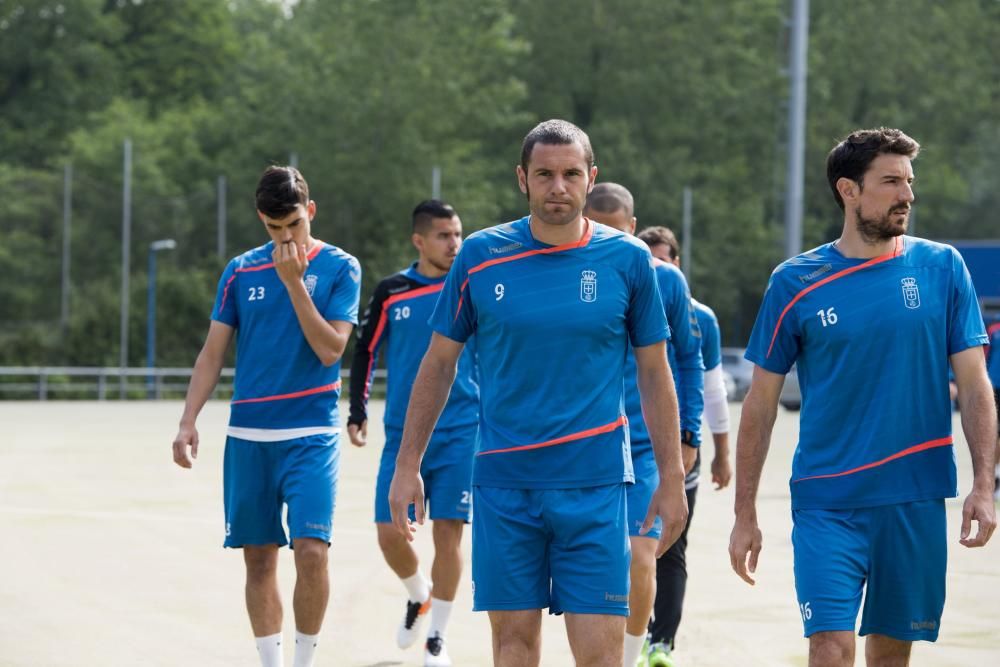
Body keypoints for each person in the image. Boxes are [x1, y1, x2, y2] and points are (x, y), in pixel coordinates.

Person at [388, 119, 689, 667]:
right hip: (506, 486)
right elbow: (437, 365)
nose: (558, 187)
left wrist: (671, 476)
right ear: (521, 179)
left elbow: (654, 371)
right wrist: (407, 464)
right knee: (512, 648)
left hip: (595, 487)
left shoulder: (628, 261)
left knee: (600, 655)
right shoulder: (479, 256)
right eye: (545, 174)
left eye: (571, 174)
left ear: (590, 177)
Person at [729, 128, 997, 667]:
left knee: (891, 654)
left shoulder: (942, 268)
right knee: (830, 647)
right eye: (892, 182)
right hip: (828, 499)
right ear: (848, 190)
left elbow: (974, 384)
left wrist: (984, 485)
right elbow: (758, 405)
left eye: (909, 182)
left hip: (914, 496)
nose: (907, 195)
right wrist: (744, 513)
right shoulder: (796, 281)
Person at [171, 166, 361, 667]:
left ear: (310, 212)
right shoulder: (238, 271)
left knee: (313, 551)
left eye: (294, 225)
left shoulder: (342, 267)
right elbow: (213, 352)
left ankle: (303, 661)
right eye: (274, 229)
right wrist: (188, 419)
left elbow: (330, 351)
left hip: (311, 436)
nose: (285, 238)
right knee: (258, 560)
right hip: (249, 436)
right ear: (261, 219)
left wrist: (295, 284)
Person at [347, 200, 479, 666]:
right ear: (419, 241)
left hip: (463, 429)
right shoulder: (392, 291)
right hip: (404, 435)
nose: (454, 244)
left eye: (458, 234)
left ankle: (437, 638)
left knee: (449, 535)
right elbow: (365, 349)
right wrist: (357, 408)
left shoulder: (471, 284)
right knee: (389, 534)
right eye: (444, 236)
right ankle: (419, 594)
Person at [581, 186, 705, 667]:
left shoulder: (666, 281)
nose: (608, 236)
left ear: (633, 227)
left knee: (639, 555)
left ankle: (631, 658)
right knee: (594, 565)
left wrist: (689, 433)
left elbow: (689, 361)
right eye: (599, 225)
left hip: (647, 445)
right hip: (587, 445)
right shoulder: (575, 274)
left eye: (618, 227)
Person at [638, 225, 732, 667]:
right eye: (649, 257)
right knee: (632, 546)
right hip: (631, 443)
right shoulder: (624, 303)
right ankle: (633, 632)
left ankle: (661, 642)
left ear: (676, 262)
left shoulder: (701, 318)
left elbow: (710, 388)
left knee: (670, 546)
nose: (656, 267)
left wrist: (719, 449)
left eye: (664, 259)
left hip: (679, 443)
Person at [987, 318, 1000, 499]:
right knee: (994, 435)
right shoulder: (993, 328)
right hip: (994, 387)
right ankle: (995, 479)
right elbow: (983, 355)